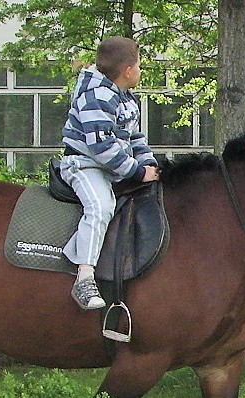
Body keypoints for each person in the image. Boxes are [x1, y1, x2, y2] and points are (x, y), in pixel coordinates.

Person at [61, 36, 160, 310]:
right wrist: (136, 172)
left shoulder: (124, 98)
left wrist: (149, 163)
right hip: (84, 165)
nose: (140, 71)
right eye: (139, 65)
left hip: (111, 168)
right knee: (101, 206)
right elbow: (100, 147)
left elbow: (133, 136)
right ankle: (84, 277)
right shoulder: (97, 96)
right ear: (127, 70)